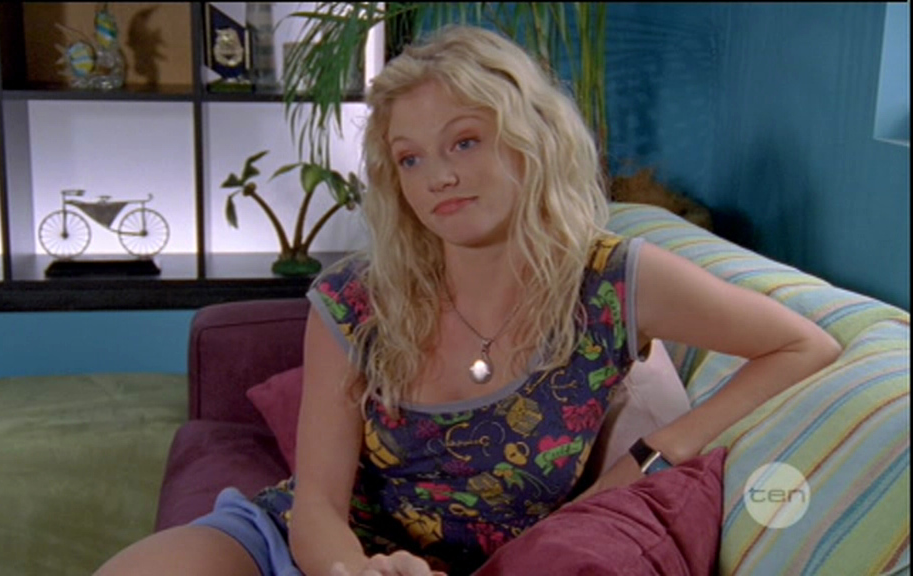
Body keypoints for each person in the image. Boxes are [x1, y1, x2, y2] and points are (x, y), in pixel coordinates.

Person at [96, 25, 841, 576]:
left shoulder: (615, 282)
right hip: (316, 552)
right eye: (410, 158)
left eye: (464, 142)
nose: (438, 178)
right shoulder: (353, 301)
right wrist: (355, 573)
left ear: (529, 140)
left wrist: (656, 452)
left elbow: (805, 344)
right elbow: (317, 504)